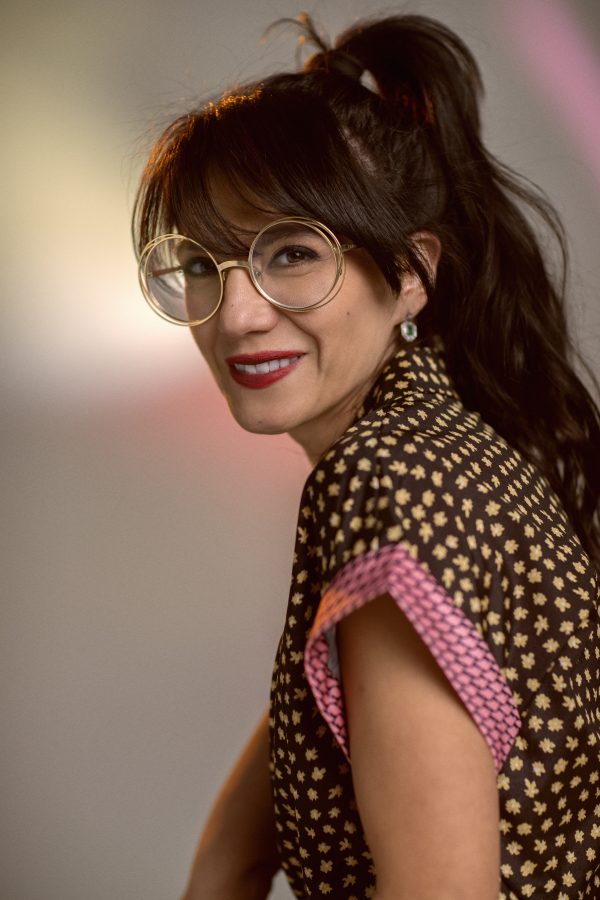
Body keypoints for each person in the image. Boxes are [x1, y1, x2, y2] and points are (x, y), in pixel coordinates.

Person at [133, 12, 600, 900]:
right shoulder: (447, 446)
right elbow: (234, 852)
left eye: (293, 253)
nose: (238, 315)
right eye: (200, 266)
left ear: (411, 274)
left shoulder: (386, 483)